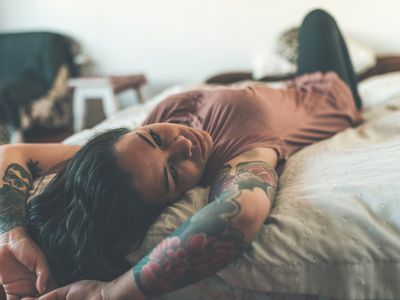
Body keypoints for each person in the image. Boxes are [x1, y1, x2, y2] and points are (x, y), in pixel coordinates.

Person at [0, 9, 364, 299]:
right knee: (317, 19)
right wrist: (111, 292)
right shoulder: (236, 153)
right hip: (332, 90)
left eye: (154, 138)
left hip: (287, 88)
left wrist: (12, 232)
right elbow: (243, 212)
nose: (184, 145)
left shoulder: (119, 158)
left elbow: (12, 151)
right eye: (173, 174)